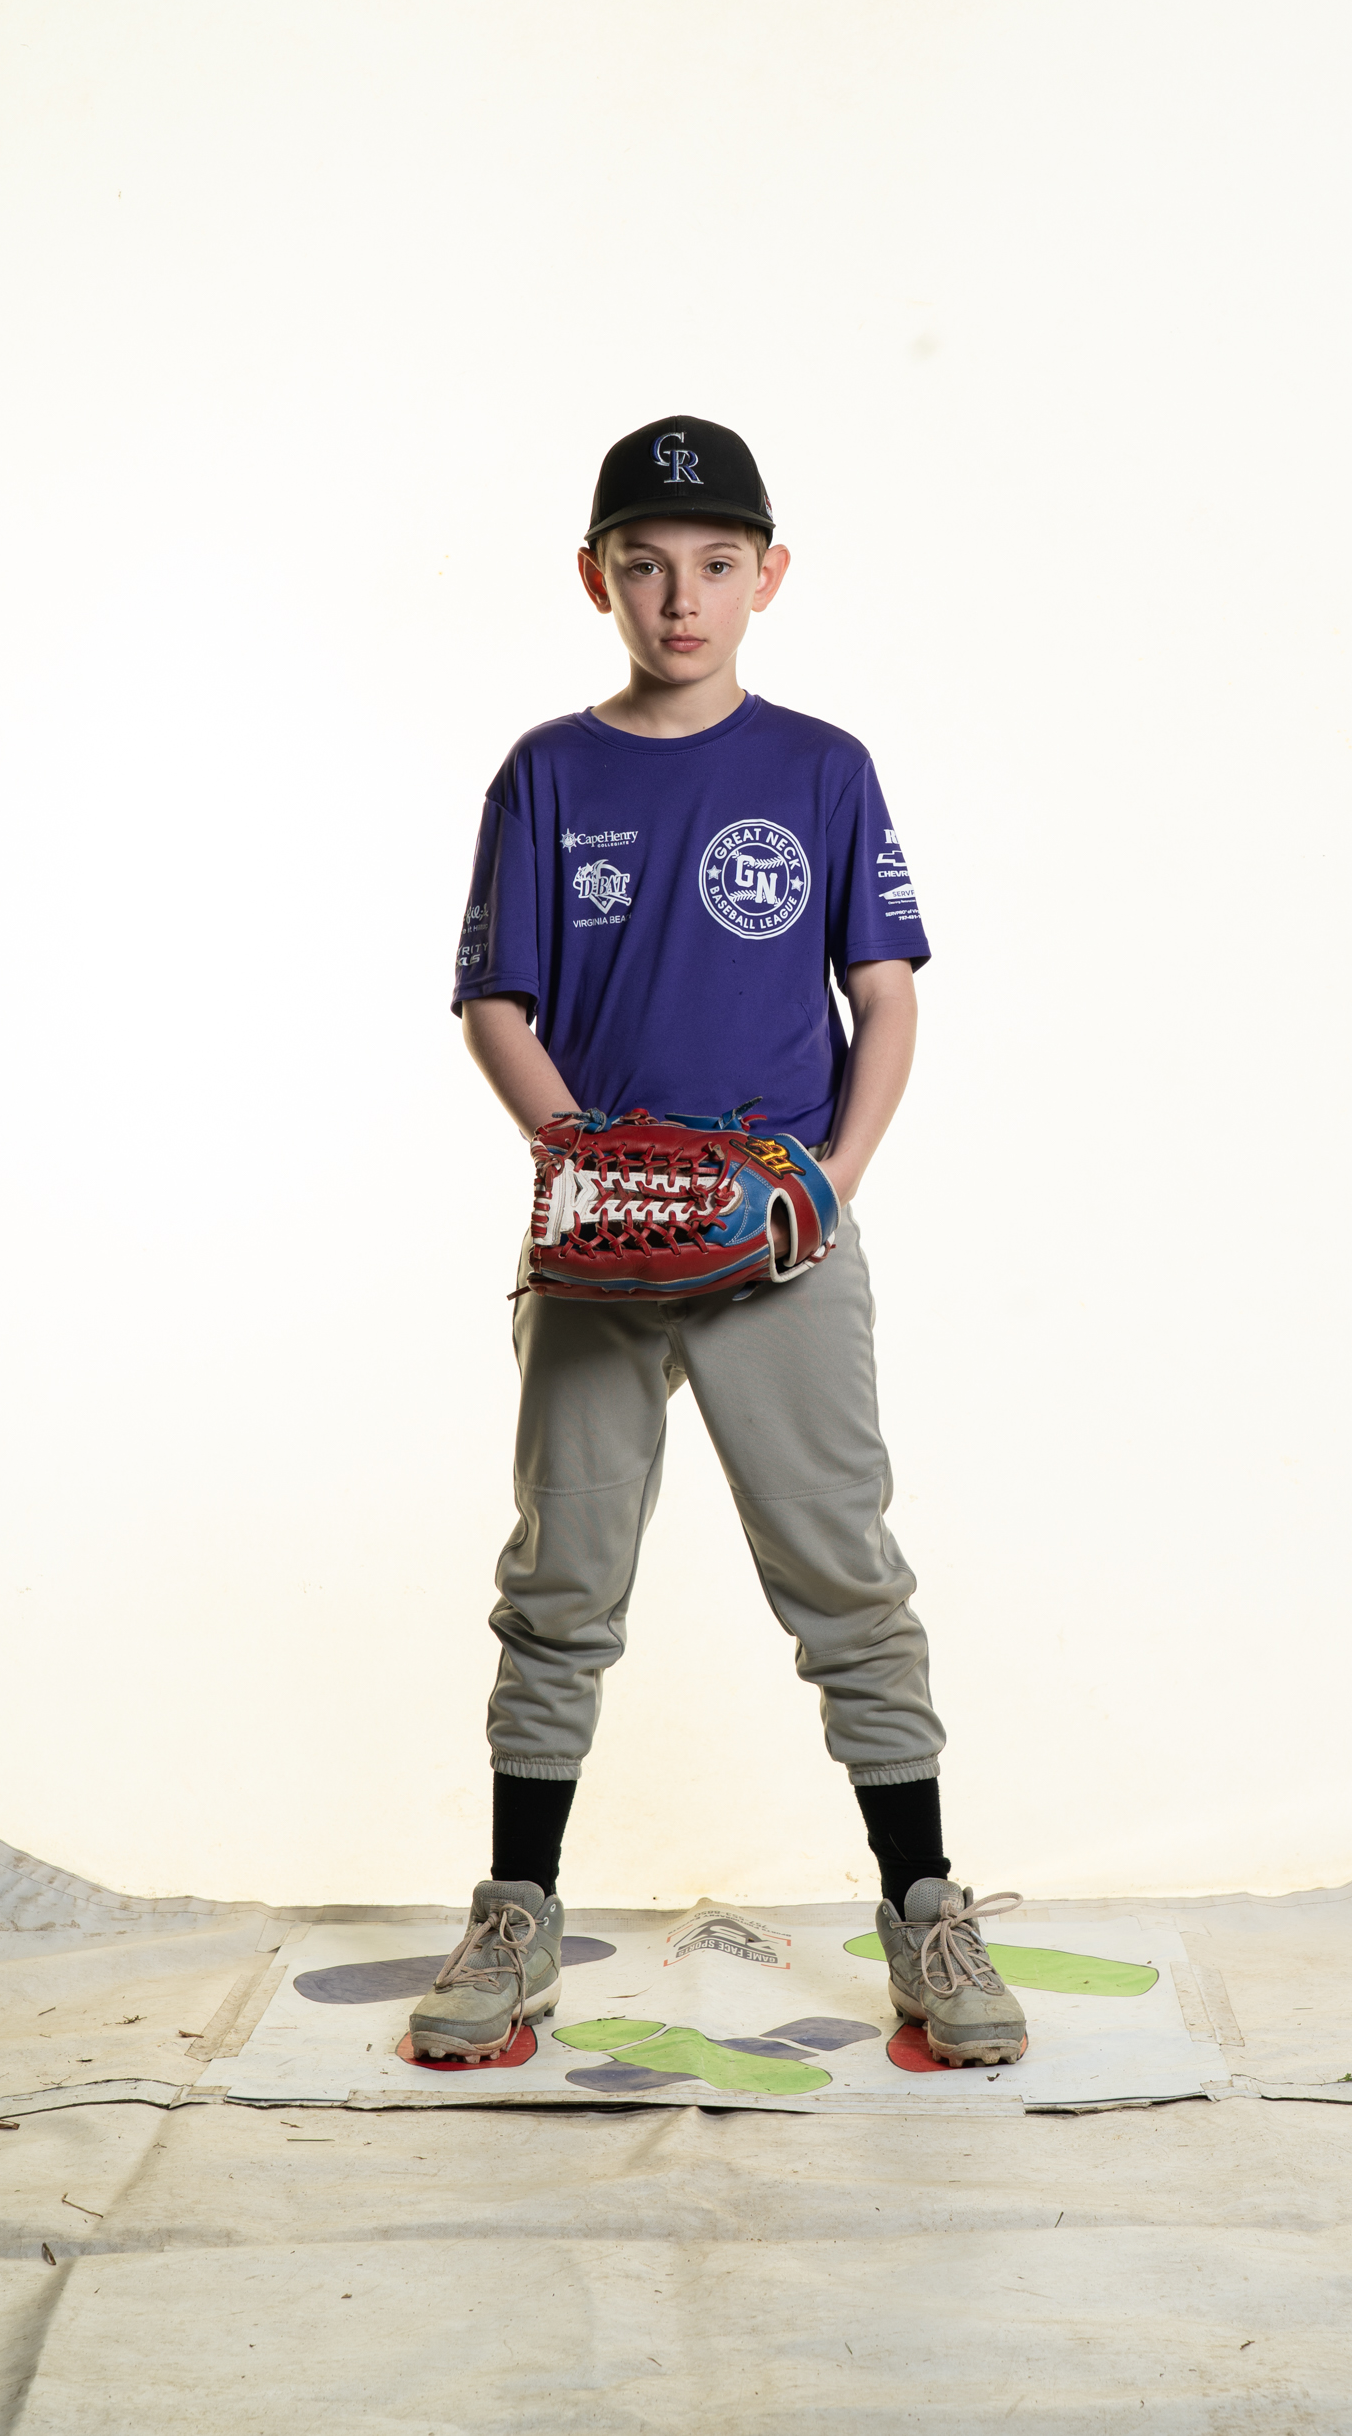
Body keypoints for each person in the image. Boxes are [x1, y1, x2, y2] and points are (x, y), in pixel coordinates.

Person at [407, 416, 1024, 2069]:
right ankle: (517, 1913)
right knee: (559, 1579)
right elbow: (495, 1002)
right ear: (594, 577)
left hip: (777, 1239)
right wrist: (582, 1157)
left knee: (845, 1577)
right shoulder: (547, 772)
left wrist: (830, 1179)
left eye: (714, 562)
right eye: (644, 564)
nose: (679, 596)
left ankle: (925, 1905)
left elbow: (883, 995)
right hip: (600, 1240)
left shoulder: (820, 767)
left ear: (768, 575)